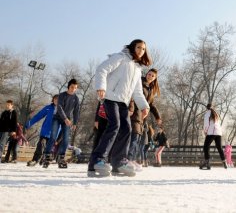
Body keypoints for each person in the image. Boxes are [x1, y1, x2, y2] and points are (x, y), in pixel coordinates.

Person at [88, 39, 151, 177]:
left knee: (126, 129)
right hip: (110, 97)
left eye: (143, 49)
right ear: (133, 47)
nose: (141, 50)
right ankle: (98, 160)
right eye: (139, 47)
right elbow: (102, 69)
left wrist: (144, 106)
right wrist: (101, 87)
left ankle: (119, 162)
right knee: (114, 126)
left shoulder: (137, 68)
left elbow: (137, 91)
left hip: (123, 101)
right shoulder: (120, 57)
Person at [128, 68, 162, 171]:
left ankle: (132, 159)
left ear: (155, 78)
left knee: (137, 139)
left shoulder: (150, 89)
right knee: (134, 137)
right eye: (149, 74)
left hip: (142, 117)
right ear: (146, 74)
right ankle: (128, 159)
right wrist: (131, 109)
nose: (150, 76)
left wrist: (157, 116)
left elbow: (150, 105)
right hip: (135, 113)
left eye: (153, 76)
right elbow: (133, 96)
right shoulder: (140, 83)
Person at [42, 79, 80, 169]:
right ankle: (47, 155)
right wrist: (65, 118)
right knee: (53, 137)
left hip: (67, 120)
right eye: (72, 87)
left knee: (66, 139)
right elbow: (59, 108)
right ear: (68, 86)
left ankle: (61, 157)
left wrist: (75, 123)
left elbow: (76, 111)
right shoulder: (62, 95)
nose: (73, 89)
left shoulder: (76, 98)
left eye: (75, 88)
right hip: (57, 118)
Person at [25, 95, 59, 166]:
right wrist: (30, 123)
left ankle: (44, 160)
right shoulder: (48, 108)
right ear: (53, 100)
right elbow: (39, 116)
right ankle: (35, 160)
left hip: (54, 133)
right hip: (45, 131)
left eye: (58, 100)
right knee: (40, 145)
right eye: (55, 99)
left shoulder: (62, 110)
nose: (57, 101)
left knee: (48, 148)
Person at [199, 103, 226, 170]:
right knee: (219, 147)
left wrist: (205, 131)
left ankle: (207, 162)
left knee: (206, 147)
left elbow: (206, 124)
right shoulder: (216, 113)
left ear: (207, 108)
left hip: (211, 132)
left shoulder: (208, 113)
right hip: (218, 132)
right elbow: (219, 123)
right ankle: (224, 161)